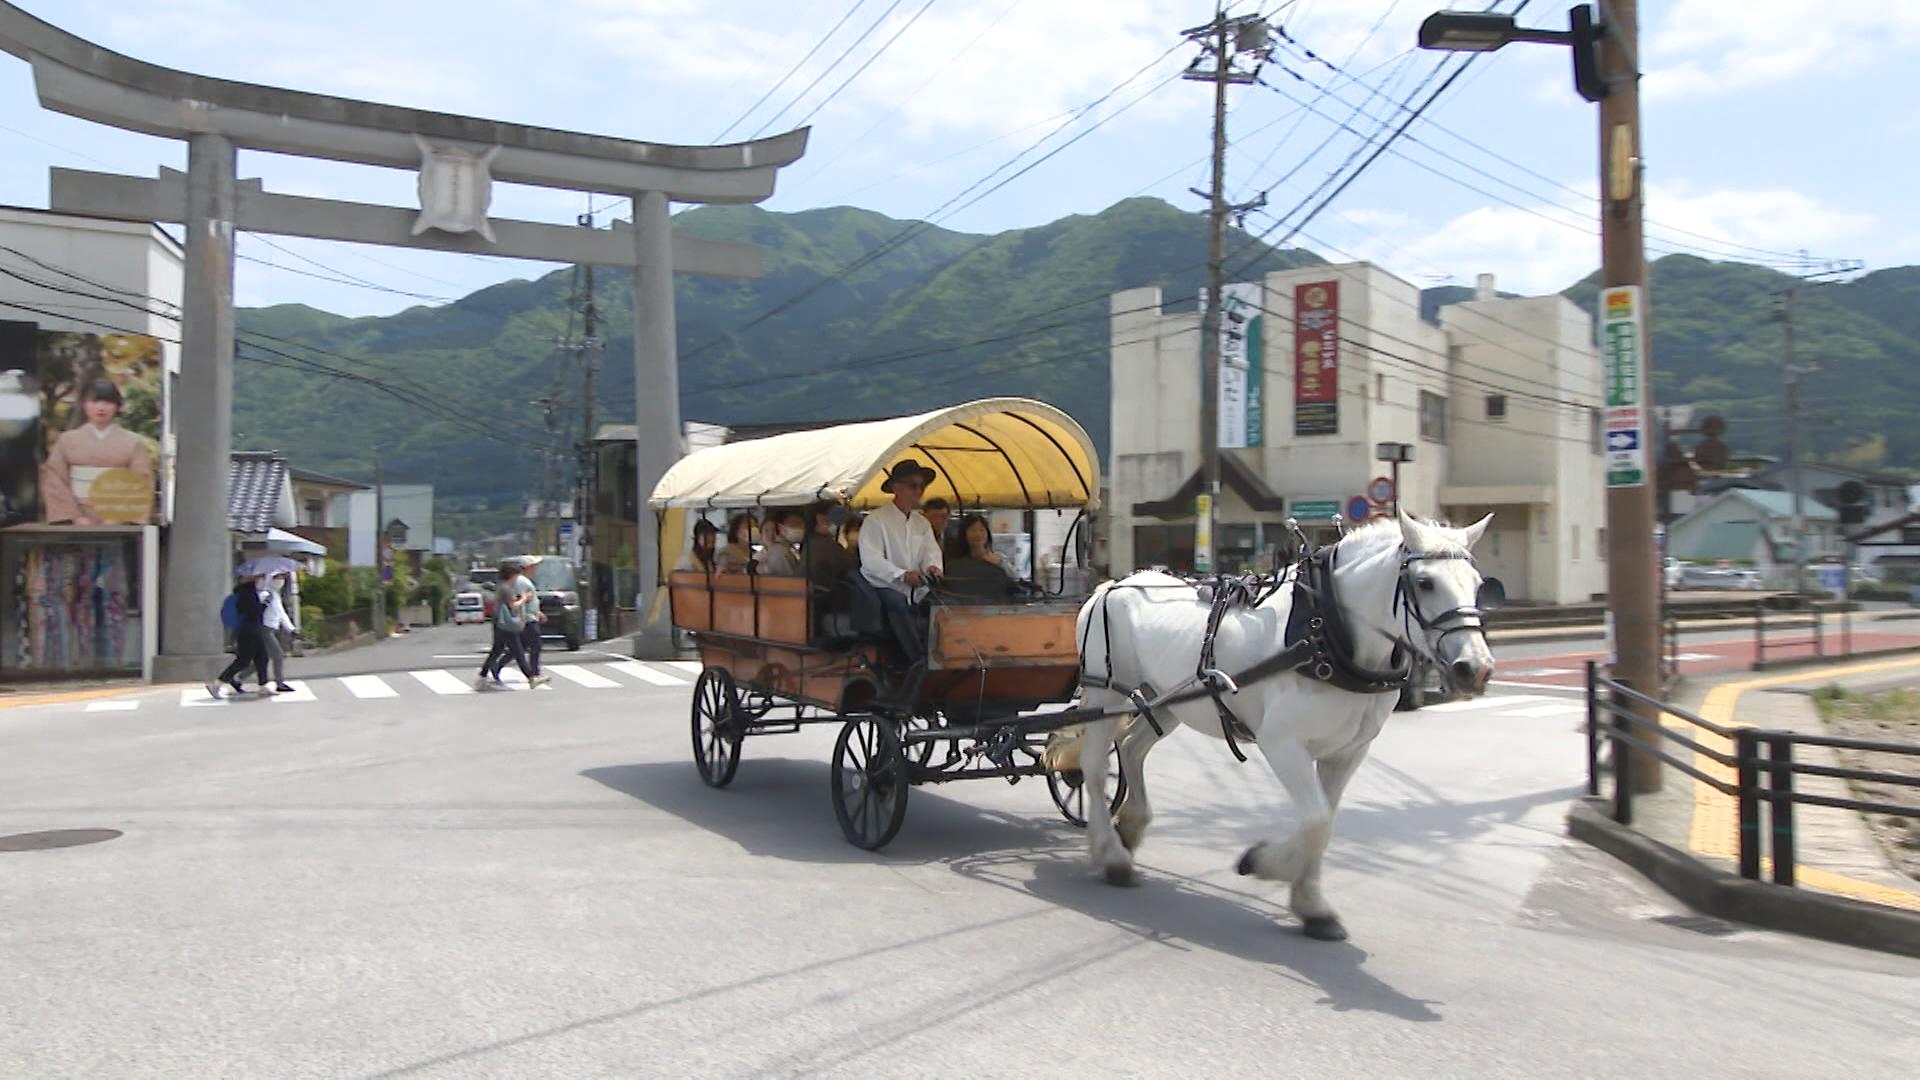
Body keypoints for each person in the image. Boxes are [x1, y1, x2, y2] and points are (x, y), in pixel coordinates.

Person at [859, 459, 944, 667]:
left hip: (916, 585)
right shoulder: (875, 520)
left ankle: (944, 654)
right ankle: (918, 661)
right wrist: (901, 575)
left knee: (941, 605)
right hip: (882, 584)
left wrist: (933, 567)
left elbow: (931, 552)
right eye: (913, 485)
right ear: (896, 487)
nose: (919, 491)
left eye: (922, 486)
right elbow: (871, 561)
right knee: (897, 603)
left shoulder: (921, 523)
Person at [42, 379, 154, 524]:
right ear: (84, 404)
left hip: (118, 517)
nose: (101, 408)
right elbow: (55, 479)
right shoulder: (66, 440)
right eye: (94, 402)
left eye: (107, 403)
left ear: (117, 406)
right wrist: (74, 517)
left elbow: (142, 480)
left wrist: (120, 517)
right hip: (77, 515)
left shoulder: (132, 442)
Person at [476, 561, 541, 689]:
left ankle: (482, 677)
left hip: (500, 622)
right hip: (506, 624)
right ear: (511, 575)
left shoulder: (502, 587)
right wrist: (525, 598)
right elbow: (514, 606)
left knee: (497, 651)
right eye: (516, 575)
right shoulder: (505, 588)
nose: (517, 578)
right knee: (518, 652)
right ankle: (531, 678)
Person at [208, 578, 270, 698]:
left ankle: (263, 686)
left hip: (252, 630)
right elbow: (253, 613)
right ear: (254, 582)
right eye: (261, 581)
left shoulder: (245, 593)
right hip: (249, 631)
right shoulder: (248, 595)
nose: (263, 583)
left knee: (262, 658)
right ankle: (216, 684)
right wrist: (264, 604)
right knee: (243, 660)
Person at [511, 559, 550, 684]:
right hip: (527, 619)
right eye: (534, 566)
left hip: (529, 617)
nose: (535, 569)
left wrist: (538, 612)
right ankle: (535, 672)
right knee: (535, 645)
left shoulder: (524, 580)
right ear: (527, 567)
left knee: (519, 648)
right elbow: (521, 600)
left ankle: (497, 667)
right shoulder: (522, 581)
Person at [946, 514, 1019, 579]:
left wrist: (1000, 563)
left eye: (982, 530)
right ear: (964, 534)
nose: (978, 534)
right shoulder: (956, 561)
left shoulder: (999, 557)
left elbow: (1016, 577)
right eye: (973, 530)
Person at [260, 572, 298, 693]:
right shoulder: (264, 594)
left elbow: (282, 614)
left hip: (272, 628)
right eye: (277, 577)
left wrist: (292, 629)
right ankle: (279, 682)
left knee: (262, 658)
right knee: (278, 655)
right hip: (264, 629)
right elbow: (257, 610)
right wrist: (264, 602)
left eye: (282, 577)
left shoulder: (275, 595)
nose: (280, 580)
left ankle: (238, 679)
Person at [804, 502, 851, 588]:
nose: (840, 524)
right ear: (820, 518)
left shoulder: (809, 542)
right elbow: (848, 570)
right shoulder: (828, 546)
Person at [755, 509, 805, 576]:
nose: (771, 534)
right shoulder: (759, 558)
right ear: (760, 533)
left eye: (774, 530)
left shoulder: (791, 550)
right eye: (766, 530)